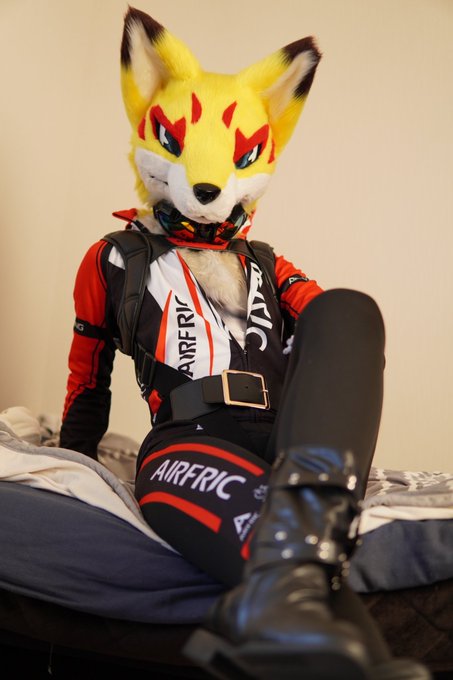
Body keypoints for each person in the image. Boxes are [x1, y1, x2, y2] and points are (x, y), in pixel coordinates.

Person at [60, 8, 430, 679]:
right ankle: (313, 623)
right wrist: (73, 466)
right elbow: (87, 376)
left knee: (348, 310)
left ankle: (280, 590)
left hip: (289, 442)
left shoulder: (267, 263)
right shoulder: (114, 257)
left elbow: (335, 343)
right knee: (301, 564)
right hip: (188, 440)